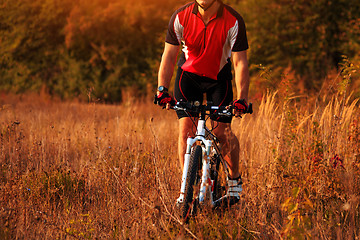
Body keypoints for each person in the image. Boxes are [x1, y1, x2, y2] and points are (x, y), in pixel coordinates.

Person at [154, 0, 250, 202]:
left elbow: (240, 62)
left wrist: (242, 99)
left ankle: (233, 182)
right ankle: (186, 188)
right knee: (186, 131)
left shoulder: (234, 20)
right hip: (188, 78)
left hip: (219, 80)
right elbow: (169, 56)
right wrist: (162, 89)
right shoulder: (180, 17)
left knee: (222, 133)